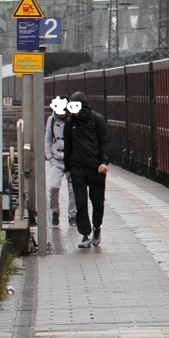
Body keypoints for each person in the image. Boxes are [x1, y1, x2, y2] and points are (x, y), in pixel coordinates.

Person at [63, 91, 110, 249]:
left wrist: (104, 162)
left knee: (97, 201)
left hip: (96, 167)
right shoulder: (70, 124)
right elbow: (67, 147)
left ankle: (97, 228)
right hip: (78, 168)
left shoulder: (97, 120)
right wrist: (67, 169)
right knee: (80, 202)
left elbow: (105, 142)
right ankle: (85, 233)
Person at [45, 96, 77, 227]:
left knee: (73, 189)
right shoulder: (51, 120)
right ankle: (55, 211)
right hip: (56, 159)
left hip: (71, 159)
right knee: (53, 187)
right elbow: (47, 138)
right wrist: (49, 156)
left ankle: (72, 216)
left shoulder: (73, 120)